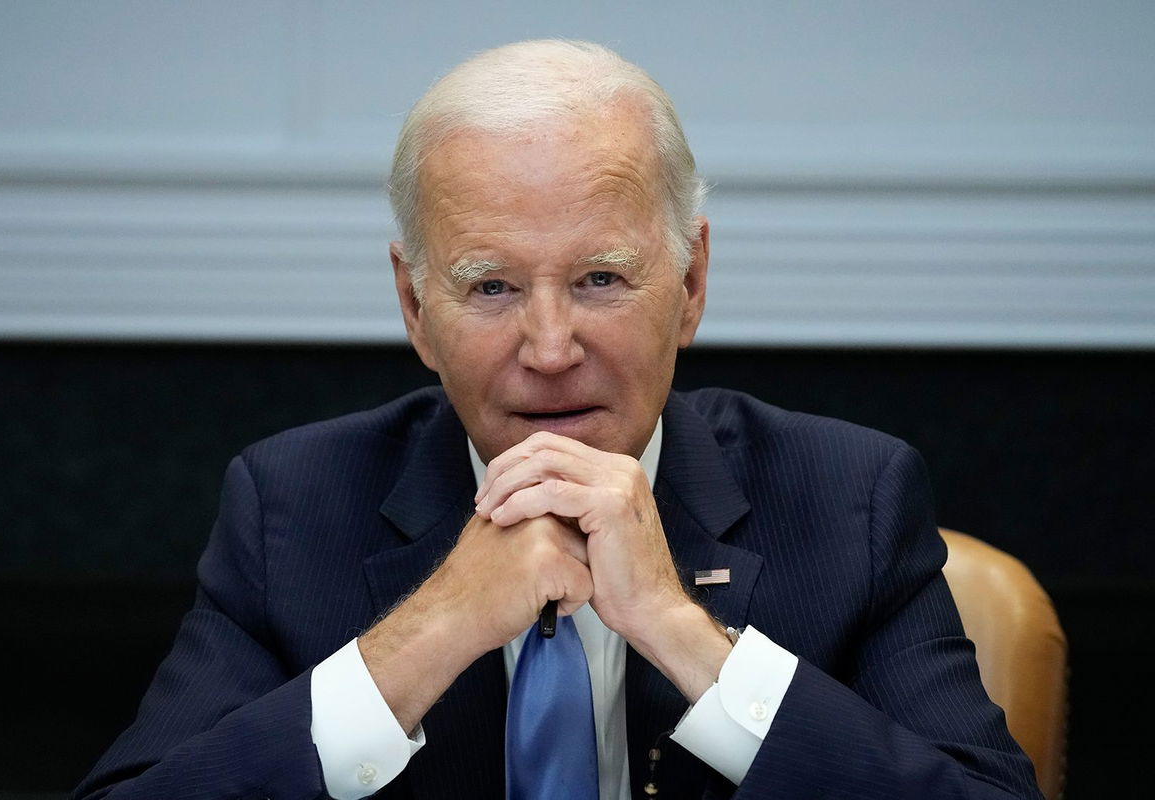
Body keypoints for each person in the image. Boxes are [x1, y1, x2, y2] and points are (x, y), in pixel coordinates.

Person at [75, 40, 1042, 800]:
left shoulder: (848, 501)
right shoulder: (293, 508)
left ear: (691, 284)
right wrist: (430, 633)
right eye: (490, 286)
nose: (548, 347)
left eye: (601, 280)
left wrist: (677, 628)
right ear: (415, 309)